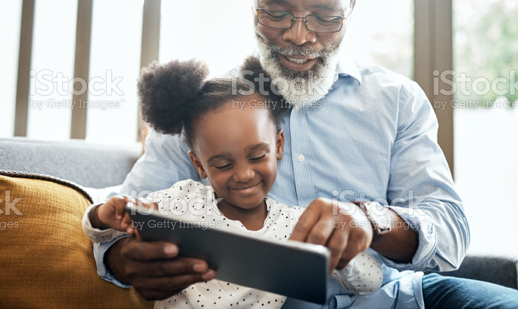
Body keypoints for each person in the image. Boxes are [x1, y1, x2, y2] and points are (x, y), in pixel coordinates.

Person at [93, 0, 518, 307]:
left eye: (325, 16)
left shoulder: (396, 100)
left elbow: (449, 230)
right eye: (277, 12)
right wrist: (120, 257)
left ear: (350, 7)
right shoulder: (204, 111)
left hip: (397, 298)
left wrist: (371, 220)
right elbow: (122, 211)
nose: (299, 35)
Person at [83, 57, 384, 308]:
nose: (243, 175)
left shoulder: (295, 225)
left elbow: (371, 282)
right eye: (224, 164)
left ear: (278, 146)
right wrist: (102, 214)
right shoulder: (182, 201)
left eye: (256, 156)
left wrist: (342, 253)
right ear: (199, 165)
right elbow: (103, 230)